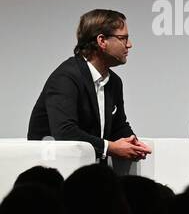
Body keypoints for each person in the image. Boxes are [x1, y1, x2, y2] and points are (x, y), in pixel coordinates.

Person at [28, 9, 152, 164]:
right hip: (54, 171)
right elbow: (65, 132)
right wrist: (110, 147)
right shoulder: (66, 77)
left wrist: (134, 143)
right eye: (123, 38)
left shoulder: (114, 82)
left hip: (90, 170)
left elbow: (118, 126)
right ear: (102, 41)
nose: (129, 44)